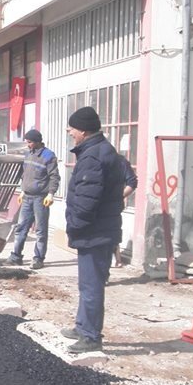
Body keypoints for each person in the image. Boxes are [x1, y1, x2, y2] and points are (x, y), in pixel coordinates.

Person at [61, 106, 126, 354]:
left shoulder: (93, 157)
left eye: (72, 129)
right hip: (98, 230)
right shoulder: (100, 151)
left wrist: (75, 226)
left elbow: (87, 199)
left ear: (84, 130)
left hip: (94, 231)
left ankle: (90, 336)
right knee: (86, 284)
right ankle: (82, 326)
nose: (70, 133)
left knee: (91, 285)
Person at [8, 129, 60, 270]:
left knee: (40, 230)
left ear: (37, 142)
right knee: (21, 228)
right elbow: (25, 174)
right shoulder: (28, 154)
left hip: (40, 198)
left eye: (29, 142)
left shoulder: (48, 156)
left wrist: (51, 193)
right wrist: (23, 191)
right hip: (27, 197)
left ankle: (38, 258)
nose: (27, 144)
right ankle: (16, 256)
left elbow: (54, 176)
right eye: (26, 142)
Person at [113, 157, 139, 267]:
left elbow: (132, 182)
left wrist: (119, 196)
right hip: (109, 205)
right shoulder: (120, 160)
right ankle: (115, 260)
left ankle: (115, 259)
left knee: (112, 231)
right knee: (112, 231)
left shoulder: (119, 161)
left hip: (111, 206)